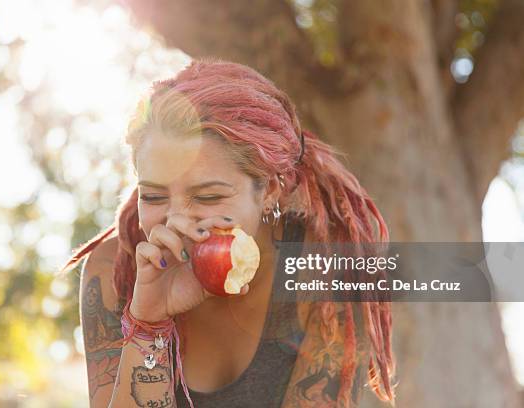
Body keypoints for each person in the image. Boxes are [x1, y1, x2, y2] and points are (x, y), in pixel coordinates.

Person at [60, 58, 396, 408]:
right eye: (155, 196)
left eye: (208, 196)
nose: (176, 220)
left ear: (269, 191)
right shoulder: (115, 271)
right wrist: (148, 324)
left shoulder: (329, 267)